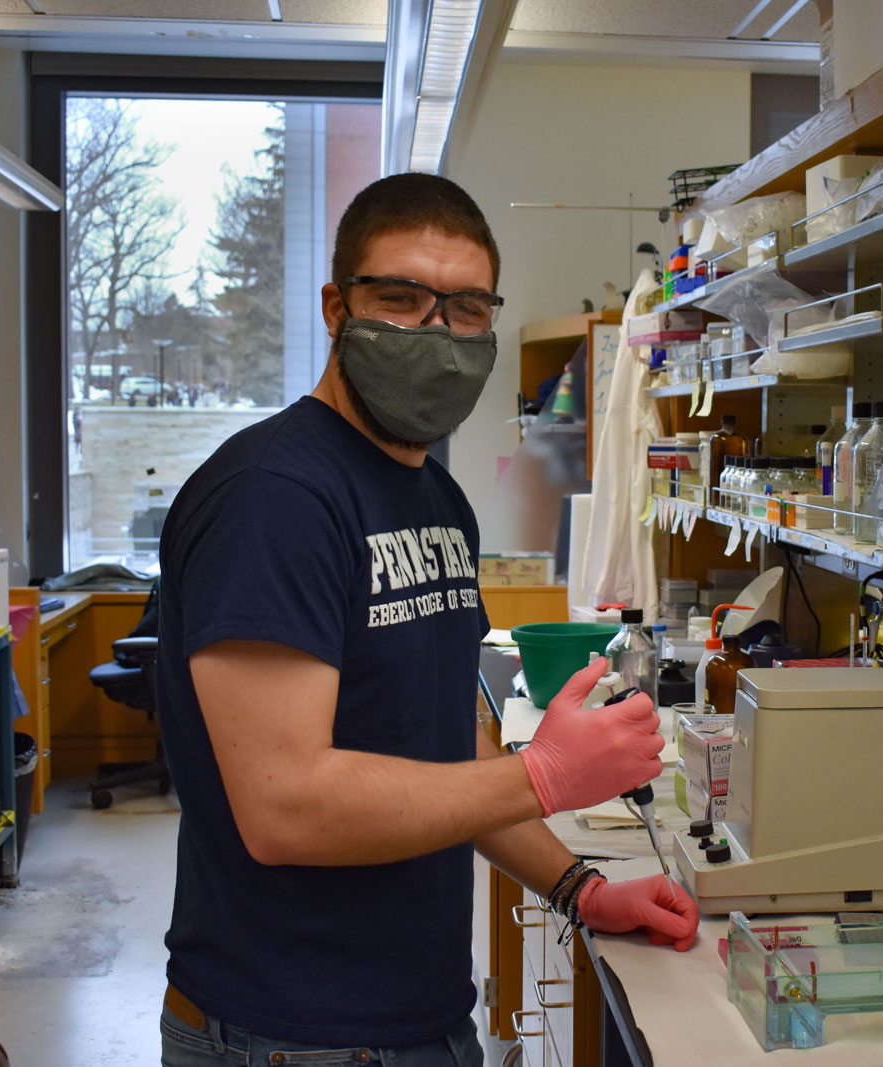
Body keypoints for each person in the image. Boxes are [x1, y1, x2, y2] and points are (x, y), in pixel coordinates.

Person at [155, 172, 698, 1067]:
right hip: (286, 1037)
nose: (434, 333)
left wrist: (579, 889)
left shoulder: (436, 499)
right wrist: (548, 776)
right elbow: (284, 808)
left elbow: (451, 763)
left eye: (466, 308)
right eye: (400, 299)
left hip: (423, 1022)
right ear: (337, 306)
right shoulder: (273, 499)